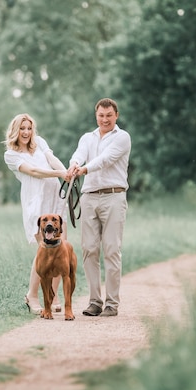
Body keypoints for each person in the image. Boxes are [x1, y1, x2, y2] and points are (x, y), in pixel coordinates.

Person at [66, 98, 131, 317]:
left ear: (116, 115)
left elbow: (106, 159)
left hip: (114, 196)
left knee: (112, 249)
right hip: (89, 197)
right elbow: (79, 154)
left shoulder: (122, 137)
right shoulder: (87, 137)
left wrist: (84, 170)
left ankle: (112, 303)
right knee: (89, 249)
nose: (104, 119)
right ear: (96, 115)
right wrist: (74, 164)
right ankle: (94, 301)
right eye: (101, 115)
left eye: (108, 115)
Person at [3, 113, 69, 314]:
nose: (26, 132)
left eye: (29, 128)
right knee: (44, 251)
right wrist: (59, 174)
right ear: (15, 130)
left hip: (55, 198)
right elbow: (33, 171)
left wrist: (66, 172)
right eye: (22, 128)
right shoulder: (11, 155)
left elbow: (52, 159)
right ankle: (31, 295)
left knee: (61, 248)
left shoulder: (39, 142)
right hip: (37, 203)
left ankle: (52, 294)